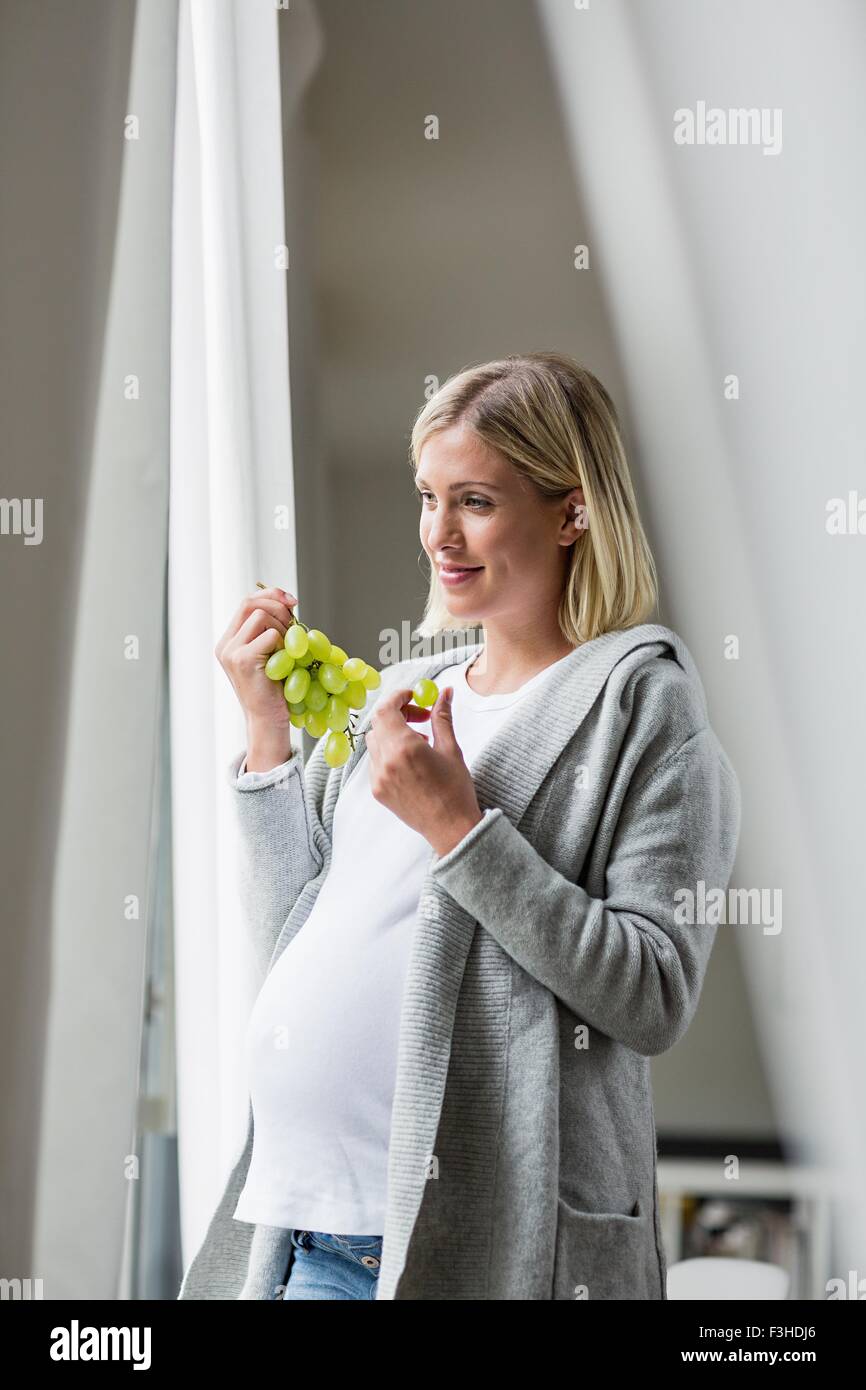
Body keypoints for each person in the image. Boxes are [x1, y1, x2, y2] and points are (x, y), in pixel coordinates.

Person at [178, 351, 741, 1300]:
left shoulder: (643, 712)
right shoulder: (406, 697)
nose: (440, 534)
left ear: (573, 512)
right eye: (426, 497)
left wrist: (462, 832)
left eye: (475, 500)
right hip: (299, 1230)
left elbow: (651, 992)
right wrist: (267, 740)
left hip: (457, 1256)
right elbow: (292, 935)